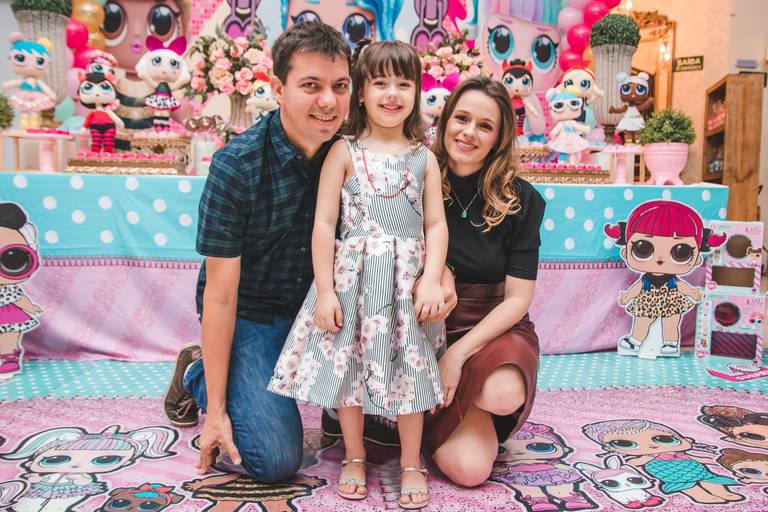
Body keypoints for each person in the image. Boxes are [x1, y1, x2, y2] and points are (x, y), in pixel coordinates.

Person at [162, 21, 352, 482]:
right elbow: (221, 296)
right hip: (254, 315)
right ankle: (198, 373)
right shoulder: (237, 165)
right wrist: (216, 412)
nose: (329, 101)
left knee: (395, 421)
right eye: (311, 86)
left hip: (325, 312)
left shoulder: (355, 155)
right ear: (278, 88)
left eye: (340, 86)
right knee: (273, 459)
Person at [268, 40, 448, 510]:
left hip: (405, 285)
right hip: (353, 282)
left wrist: (431, 278)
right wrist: (326, 292)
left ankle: (410, 461)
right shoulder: (343, 151)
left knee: (409, 368)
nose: (392, 94)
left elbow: (435, 224)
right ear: (361, 92)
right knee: (347, 368)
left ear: (416, 91)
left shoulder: (424, 158)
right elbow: (324, 223)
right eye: (380, 83)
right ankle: (354, 454)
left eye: (403, 83)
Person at [425, 76, 545, 487]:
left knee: (501, 393)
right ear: (445, 121)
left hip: (493, 327)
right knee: (470, 468)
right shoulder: (417, 177)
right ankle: (431, 420)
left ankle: (462, 407)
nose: (469, 133)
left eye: (485, 125)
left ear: (499, 137)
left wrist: (456, 356)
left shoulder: (522, 199)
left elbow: (517, 299)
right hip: (427, 324)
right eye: (461, 118)